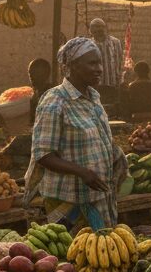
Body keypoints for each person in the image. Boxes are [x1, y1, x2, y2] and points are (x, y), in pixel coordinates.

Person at [25, 38, 127, 229]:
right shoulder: (55, 101)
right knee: (72, 255)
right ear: (71, 66)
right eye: (92, 63)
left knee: (104, 253)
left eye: (100, 63)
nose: (99, 69)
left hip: (97, 196)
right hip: (69, 201)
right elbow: (43, 155)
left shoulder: (93, 96)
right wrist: (82, 172)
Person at [88, 17, 125, 110]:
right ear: (91, 32)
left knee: (113, 109)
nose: (99, 31)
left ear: (105, 28)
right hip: (96, 84)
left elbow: (120, 61)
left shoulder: (115, 42)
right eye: (95, 29)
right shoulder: (89, 44)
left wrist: (120, 79)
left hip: (112, 83)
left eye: (101, 28)